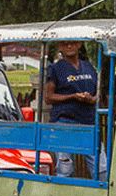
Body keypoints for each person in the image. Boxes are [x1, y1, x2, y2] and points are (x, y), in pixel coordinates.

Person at [44, 41, 107, 178]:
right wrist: (73, 96)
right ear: (60, 46)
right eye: (65, 44)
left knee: (101, 168)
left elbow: (98, 93)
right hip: (64, 123)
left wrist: (92, 99)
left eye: (72, 43)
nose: (69, 46)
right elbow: (48, 97)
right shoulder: (55, 69)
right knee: (65, 169)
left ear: (79, 45)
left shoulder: (89, 67)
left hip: (88, 122)